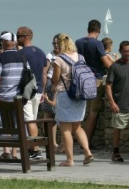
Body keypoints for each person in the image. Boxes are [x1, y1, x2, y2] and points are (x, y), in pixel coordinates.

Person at [51, 33, 93, 166]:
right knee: (77, 127)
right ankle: (87, 152)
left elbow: (55, 79)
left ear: (61, 44)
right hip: (80, 95)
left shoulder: (59, 59)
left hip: (65, 95)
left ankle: (70, 159)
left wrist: (52, 83)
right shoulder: (80, 57)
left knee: (65, 128)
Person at [75, 20, 112, 149]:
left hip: (80, 79)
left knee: (81, 112)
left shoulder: (78, 42)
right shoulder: (97, 43)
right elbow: (106, 63)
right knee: (93, 113)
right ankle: (86, 143)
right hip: (95, 79)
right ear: (99, 30)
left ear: (88, 28)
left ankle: (81, 139)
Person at [0, 32, 24, 159]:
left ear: (3, 43)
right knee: (16, 124)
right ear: (15, 43)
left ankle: (6, 151)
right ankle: (15, 153)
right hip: (18, 97)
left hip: (3, 97)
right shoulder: (22, 56)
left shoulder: (1, 57)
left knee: (4, 124)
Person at [17, 26, 47, 159]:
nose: (16, 39)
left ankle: (35, 149)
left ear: (26, 37)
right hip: (38, 90)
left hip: (26, 91)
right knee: (32, 120)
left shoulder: (21, 53)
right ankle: (31, 149)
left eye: (18, 36)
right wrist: (43, 90)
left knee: (29, 121)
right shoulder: (41, 52)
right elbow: (44, 73)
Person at [42, 33, 62, 153]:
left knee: (59, 116)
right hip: (51, 84)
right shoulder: (50, 55)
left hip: (61, 85)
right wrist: (44, 87)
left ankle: (58, 143)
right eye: (54, 43)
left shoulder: (65, 55)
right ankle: (51, 142)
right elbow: (45, 71)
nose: (55, 45)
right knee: (49, 114)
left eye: (57, 43)